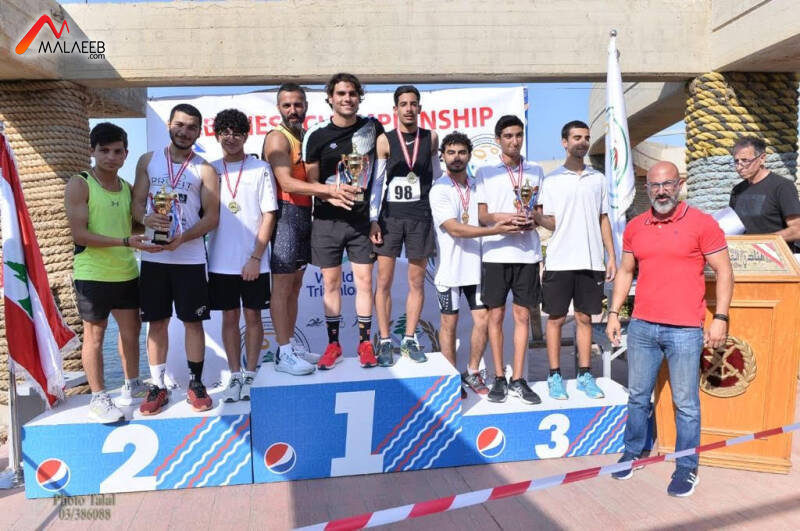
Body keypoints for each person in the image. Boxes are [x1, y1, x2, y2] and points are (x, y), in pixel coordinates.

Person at [607, 161, 733, 497]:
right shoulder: (635, 226)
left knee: (686, 403)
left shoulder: (702, 223)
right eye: (655, 185)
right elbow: (625, 271)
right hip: (642, 327)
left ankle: (686, 467)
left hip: (685, 330)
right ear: (647, 188)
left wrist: (720, 317)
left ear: (679, 185)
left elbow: (724, 271)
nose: (661, 191)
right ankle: (632, 452)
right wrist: (614, 313)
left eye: (667, 184)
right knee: (637, 397)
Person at [65, 123, 161, 423]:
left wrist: (157, 224)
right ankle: (98, 397)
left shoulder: (127, 187)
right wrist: (125, 242)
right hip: (93, 273)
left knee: (131, 332)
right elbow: (80, 235)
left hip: (126, 271)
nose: (111, 157)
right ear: (92, 151)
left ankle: (132, 385)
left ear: (125, 154)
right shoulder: (80, 184)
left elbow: (134, 227)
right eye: (104, 150)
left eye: (117, 151)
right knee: (95, 335)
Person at [132, 103, 220, 415]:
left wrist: (184, 237)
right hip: (155, 257)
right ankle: (157, 386)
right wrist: (146, 219)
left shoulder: (204, 169)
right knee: (157, 322)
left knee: (193, 322)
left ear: (199, 132)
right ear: (169, 125)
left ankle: (196, 383)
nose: (184, 131)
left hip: (190, 258)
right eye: (179, 125)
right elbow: (136, 205)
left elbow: (212, 218)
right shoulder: (148, 160)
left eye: (192, 127)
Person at [264, 83, 357, 374]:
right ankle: (283, 352)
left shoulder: (304, 137)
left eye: (298, 104)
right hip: (285, 216)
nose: (293, 110)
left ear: (306, 106)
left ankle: (290, 345)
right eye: (287, 105)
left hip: (305, 215)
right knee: (282, 288)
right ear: (279, 108)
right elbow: (287, 182)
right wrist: (329, 191)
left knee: (295, 286)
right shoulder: (277, 138)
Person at [302, 73, 385, 370]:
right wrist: (330, 195)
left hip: (361, 221)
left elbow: (379, 177)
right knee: (331, 283)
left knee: (365, 282)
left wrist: (374, 218)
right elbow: (311, 182)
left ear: (359, 97)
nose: (347, 98)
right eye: (341, 93)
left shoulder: (372, 128)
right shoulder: (316, 134)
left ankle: (364, 343)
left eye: (352, 93)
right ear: (330, 98)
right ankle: (333, 345)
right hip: (327, 220)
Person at [429, 132, 517, 398]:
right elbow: (454, 229)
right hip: (449, 271)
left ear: (469, 155)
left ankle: (472, 370)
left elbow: (488, 214)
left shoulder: (479, 186)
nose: (457, 157)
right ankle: (450, 377)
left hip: (477, 269)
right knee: (449, 324)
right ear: (443, 157)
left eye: (462, 152)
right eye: (451, 152)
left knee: (483, 320)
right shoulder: (439, 189)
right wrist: (494, 230)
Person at [536, 120, 616, 400]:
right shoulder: (551, 180)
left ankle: (585, 375)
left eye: (586, 138)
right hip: (559, 260)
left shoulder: (598, 179)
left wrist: (611, 256)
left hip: (591, 261)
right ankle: (554, 375)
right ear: (564, 142)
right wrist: (535, 216)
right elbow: (551, 222)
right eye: (576, 137)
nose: (582, 142)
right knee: (556, 319)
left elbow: (603, 218)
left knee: (584, 318)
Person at [208, 109, 278, 401]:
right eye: (225, 132)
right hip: (220, 261)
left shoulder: (260, 168)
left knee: (253, 317)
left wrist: (256, 257)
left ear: (246, 136)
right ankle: (234, 374)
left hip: (254, 261)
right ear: (217, 135)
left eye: (237, 132)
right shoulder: (209, 170)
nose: (231, 138)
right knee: (228, 318)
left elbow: (269, 214)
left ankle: (251, 373)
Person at [475, 115, 544, 404]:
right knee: (496, 316)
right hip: (496, 252)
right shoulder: (485, 172)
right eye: (508, 136)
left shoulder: (536, 170)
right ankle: (498, 378)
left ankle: (518, 378)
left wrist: (531, 220)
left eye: (518, 135)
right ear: (498, 139)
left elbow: (539, 213)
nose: (514, 141)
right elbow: (482, 216)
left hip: (527, 253)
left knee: (522, 316)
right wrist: (506, 219)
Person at [371, 85, 441, 366]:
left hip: (420, 216)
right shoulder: (384, 140)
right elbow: (377, 183)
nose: (409, 109)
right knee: (383, 281)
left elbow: (437, 177)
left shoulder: (431, 138)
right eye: (403, 104)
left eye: (413, 104)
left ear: (419, 108)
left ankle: (410, 339)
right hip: (390, 218)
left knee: (416, 281)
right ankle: (385, 340)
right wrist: (372, 219)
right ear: (395, 109)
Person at [728, 136, 800, 253]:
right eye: (736, 161)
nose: (739, 167)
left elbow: (797, 230)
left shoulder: (782, 187)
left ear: (762, 158)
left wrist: (762, 242)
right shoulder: (737, 190)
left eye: (745, 161)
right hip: (743, 257)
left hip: (776, 259)